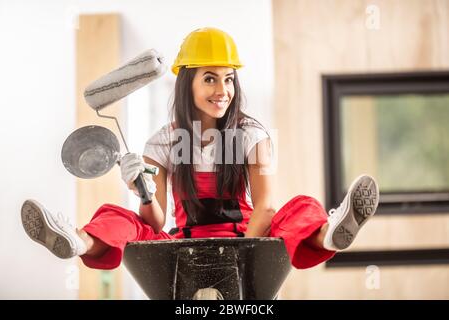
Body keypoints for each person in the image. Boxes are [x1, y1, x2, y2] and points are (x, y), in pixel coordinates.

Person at [21, 27, 379, 270]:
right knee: (117, 215)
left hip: (246, 240)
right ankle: (79, 241)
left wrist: (240, 258)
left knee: (301, 207)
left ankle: (328, 233)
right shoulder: (160, 143)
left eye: (228, 79)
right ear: (186, 82)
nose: (222, 90)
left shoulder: (252, 135)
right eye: (210, 78)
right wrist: (143, 193)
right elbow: (154, 221)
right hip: (181, 246)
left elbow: (265, 209)